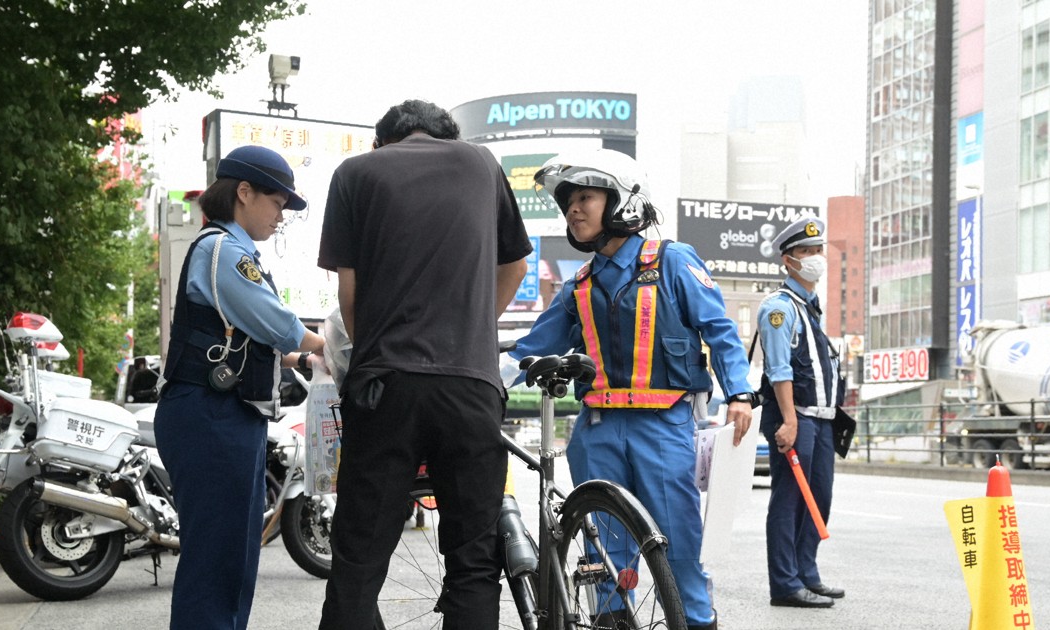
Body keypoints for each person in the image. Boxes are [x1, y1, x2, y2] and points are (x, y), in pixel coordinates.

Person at [511, 148, 757, 630]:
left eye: (584, 197)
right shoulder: (578, 286)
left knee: (679, 543)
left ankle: (695, 621)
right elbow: (529, 350)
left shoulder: (672, 261)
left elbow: (720, 330)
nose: (573, 210)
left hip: (663, 425)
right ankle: (610, 621)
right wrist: (480, 375)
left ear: (623, 201)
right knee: (603, 551)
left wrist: (741, 394)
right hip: (597, 430)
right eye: (568, 203)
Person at [315, 99, 531, 630]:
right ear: (447, 136)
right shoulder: (482, 163)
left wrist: (377, 352)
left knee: (359, 561)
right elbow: (517, 266)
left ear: (382, 140)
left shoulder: (355, 172)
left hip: (385, 384)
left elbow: (350, 294)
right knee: (473, 563)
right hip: (472, 386)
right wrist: (472, 329)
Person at [154, 145, 327, 630]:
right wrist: (331, 343)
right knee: (217, 560)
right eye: (277, 203)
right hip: (210, 414)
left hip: (224, 414)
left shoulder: (230, 252)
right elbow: (278, 324)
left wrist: (309, 358)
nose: (280, 217)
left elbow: (261, 341)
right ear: (244, 193)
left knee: (233, 555)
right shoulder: (222, 250)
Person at [755, 215, 845, 608]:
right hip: (798, 418)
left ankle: (807, 573)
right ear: (788, 261)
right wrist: (790, 420)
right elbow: (779, 369)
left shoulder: (811, 308)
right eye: (805, 252)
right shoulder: (779, 308)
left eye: (817, 250)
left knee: (818, 499)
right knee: (790, 499)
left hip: (822, 420)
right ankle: (785, 583)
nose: (815, 258)